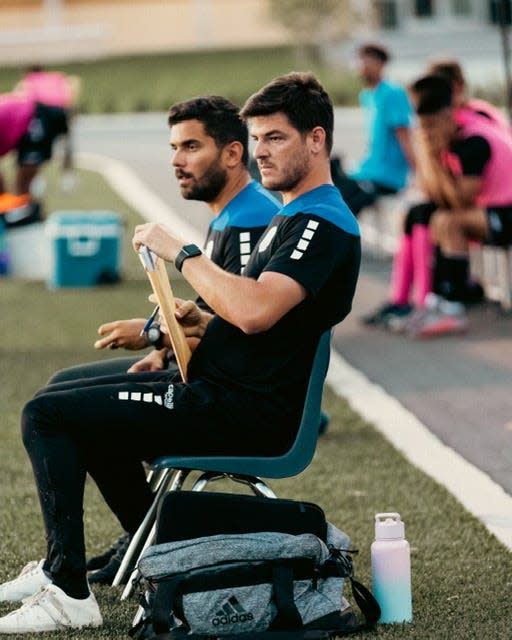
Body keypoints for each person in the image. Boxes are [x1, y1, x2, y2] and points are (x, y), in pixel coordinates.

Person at [0, 72, 360, 633]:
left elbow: (258, 311)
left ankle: (69, 591)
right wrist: (197, 320)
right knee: (64, 404)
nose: (261, 152)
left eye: (276, 138)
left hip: (245, 411)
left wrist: (181, 252)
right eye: (257, 137)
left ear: (317, 140)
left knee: (46, 414)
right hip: (221, 390)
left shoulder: (320, 221)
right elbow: (253, 320)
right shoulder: (293, 213)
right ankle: (136, 556)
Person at [46, 95, 281, 585]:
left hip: (229, 397)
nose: (176, 161)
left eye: (190, 146)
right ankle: (141, 541)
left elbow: (239, 325)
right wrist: (160, 346)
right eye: (174, 147)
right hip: (207, 376)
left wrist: (155, 332)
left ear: (233, 154)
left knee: (58, 413)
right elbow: (213, 317)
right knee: (61, 391)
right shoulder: (229, 215)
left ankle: (123, 554)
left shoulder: (251, 219)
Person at [364, 74, 512, 337]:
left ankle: (451, 306)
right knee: (423, 214)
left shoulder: (472, 142)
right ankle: (425, 301)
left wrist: (432, 157)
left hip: (505, 212)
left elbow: (457, 201)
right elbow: (433, 193)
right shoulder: (454, 137)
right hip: (495, 210)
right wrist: (432, 155)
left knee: (448, 221)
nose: (427, 133)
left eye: (431, 126)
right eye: (423, 128)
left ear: (447, 117)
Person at [331, 42, 415, 216]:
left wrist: (418, 177)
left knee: (343, 206)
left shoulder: (393, 93)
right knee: (328, 187)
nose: (362, 67)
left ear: (381, 64)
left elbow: (405, 137)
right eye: (360, 61)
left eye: (368, 62)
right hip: (367, 171)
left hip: (387, 176)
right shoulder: (367, 95)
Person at [0, 92, 68, 202]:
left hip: (32, 118)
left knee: (24, 184)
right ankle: (23, 211)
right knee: (23, 185)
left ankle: (26, 213)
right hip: (28, 115)